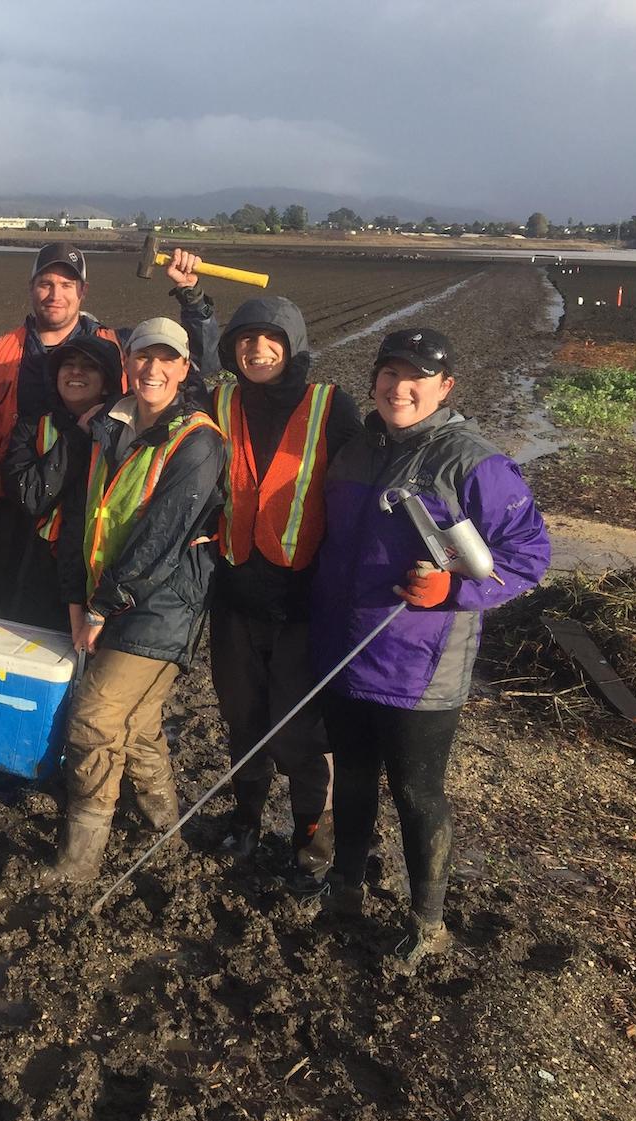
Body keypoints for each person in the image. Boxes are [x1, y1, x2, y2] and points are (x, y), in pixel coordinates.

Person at [311, 328, 549, 966]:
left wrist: (452, 591)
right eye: (389, 374)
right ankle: (344, 885)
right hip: (345, 653)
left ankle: (428, 921)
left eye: (416, 376)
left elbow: (528, 557)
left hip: (420, 666)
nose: (400, 387)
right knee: (355, 778)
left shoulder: (473, 462)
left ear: (445, 387)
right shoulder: (357, 451)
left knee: (418, 793)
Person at [47, 317, 227, 881]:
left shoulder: (198, 440)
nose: (151, 368)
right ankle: (163, 829)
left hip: (161, 604)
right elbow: (83, 515)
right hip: (110, 593)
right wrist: (78, 599)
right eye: (142, 357)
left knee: (95, 720)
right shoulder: (107, 424)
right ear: (127, 363)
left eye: (164, 358)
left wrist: (102, 606)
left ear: (183, 368)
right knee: (141, 723)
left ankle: (80, 861)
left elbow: (161, 537)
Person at [0, 242, 218, 621]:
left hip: (90, 527)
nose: (56, 294)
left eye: (68, 285)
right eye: (46, 283)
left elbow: (192, 364)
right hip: (16, 526)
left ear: (83, 291)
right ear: (31, 286)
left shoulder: (118, 346)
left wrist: (191, 296)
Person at [207, 297, 362, 892]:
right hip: (235, 598)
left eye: (272, 339)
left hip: (302, 605)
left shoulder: (330, 405)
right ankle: (245, 819)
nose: (258, 350)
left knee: (298, 732)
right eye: (246, 340)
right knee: (242, 720)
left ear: (293, 344)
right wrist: (196, 304)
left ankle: (310, 839)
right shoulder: (220, 401)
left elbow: (367, 478)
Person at [2, 335, 117, 632]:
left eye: (88, 366)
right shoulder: (33, 427)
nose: (76, 372)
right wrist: (77, 437)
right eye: (68, 365)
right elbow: (30, 496)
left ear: (106, 383)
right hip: (37, 575)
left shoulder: (124, 435)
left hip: (97, 576)